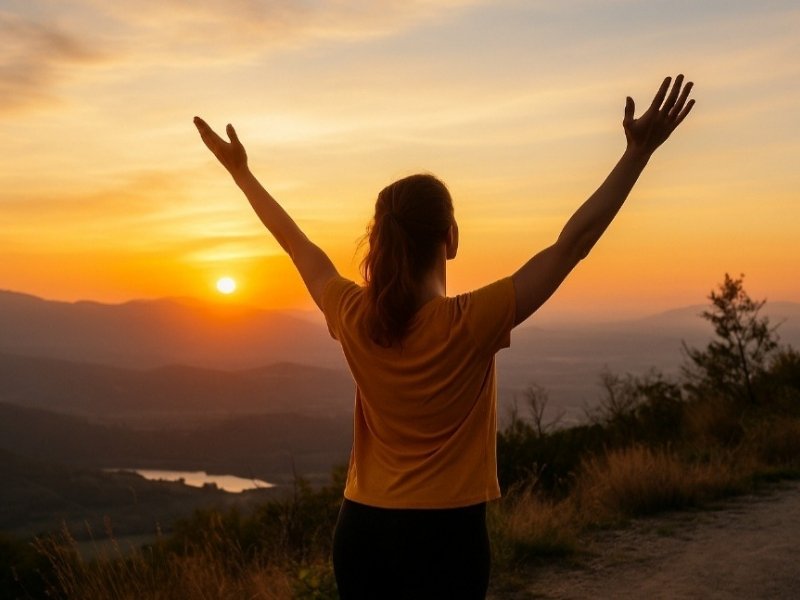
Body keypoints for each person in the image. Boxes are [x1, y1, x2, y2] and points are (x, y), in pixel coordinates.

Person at [194, 74, 695, 599]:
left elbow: (298, 246)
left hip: (361, 531)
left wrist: (242, 174)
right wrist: (637, 154)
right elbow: (572, 244)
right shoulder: (470, 322)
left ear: (381, 240)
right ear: (450, 239)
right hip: (445, 539)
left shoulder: (353, 313)